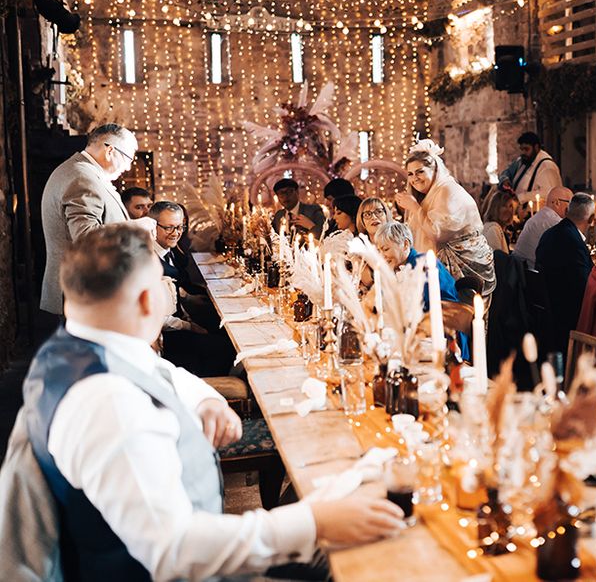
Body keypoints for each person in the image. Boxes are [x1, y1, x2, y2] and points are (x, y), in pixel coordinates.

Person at [18, 224, 404, 581]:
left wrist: (207, 399)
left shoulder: (74, 348)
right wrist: (313, 522)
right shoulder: (110, 404)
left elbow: (156, 371)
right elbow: (173, 550)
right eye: (163, 284)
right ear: (146, 299)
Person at [40, 122, 153, 316]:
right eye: (128, 159)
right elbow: (85, 237)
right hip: (83, 291)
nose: (127, 168)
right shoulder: (82, 178)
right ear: (110, 150)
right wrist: (136, 227)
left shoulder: (83, 172)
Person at [394, 139, 496, 300]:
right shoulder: (428, 194)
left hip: (464, 267)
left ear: (434, 170)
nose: (414, 178)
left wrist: (414, 207)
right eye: (410, 174)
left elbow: (437, 232)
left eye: (420, 171)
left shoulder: (448, 190)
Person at [149, 201, 235, 377]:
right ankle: (207, 387)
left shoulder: (168, 250)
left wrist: (190, 320)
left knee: (223, 329)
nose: (176, 233)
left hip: (179, 322)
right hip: (166, 335)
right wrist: (190, 326)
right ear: (152, 226)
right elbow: (157, 317)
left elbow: (174, 298)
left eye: (180, 227)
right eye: (169, 228)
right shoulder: (148, 261)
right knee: (226, 348)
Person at [375, 221, 469, 359]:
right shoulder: (397, 268)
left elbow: (426, 310)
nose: (382, 255)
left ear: (405, 244)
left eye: (386, 249)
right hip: (419, 335)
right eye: (379, 251)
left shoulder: (423, 265)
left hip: (445, 337)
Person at [535, 193, 596, 355]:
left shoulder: (549, 234)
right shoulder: (573, 242)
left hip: (547, 310)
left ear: (567, 211)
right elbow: (585, 287)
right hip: (566, 317)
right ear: (592, 220)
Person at [513, 186, 573, 269]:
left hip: (522, 273)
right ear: (557, 203)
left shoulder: (540, 216)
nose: (572, 208)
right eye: (570, 203)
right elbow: (574, 248)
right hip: (533, 278)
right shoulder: (555, 222)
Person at [498, 132, 562, 205]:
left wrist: (521, 197)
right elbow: (507, 172)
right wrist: (505, 180)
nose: (523, 152)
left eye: (526, 149)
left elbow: (548, 192)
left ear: (536, 147)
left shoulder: (547, 166)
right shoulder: (523, 161)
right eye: (522, 149)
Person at [481, 189, 516, 254]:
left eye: (510, 206)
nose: (508, 210)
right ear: (495, 208)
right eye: (504, 206)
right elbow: (498, 260)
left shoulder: (496, 227)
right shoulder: (493, 229)